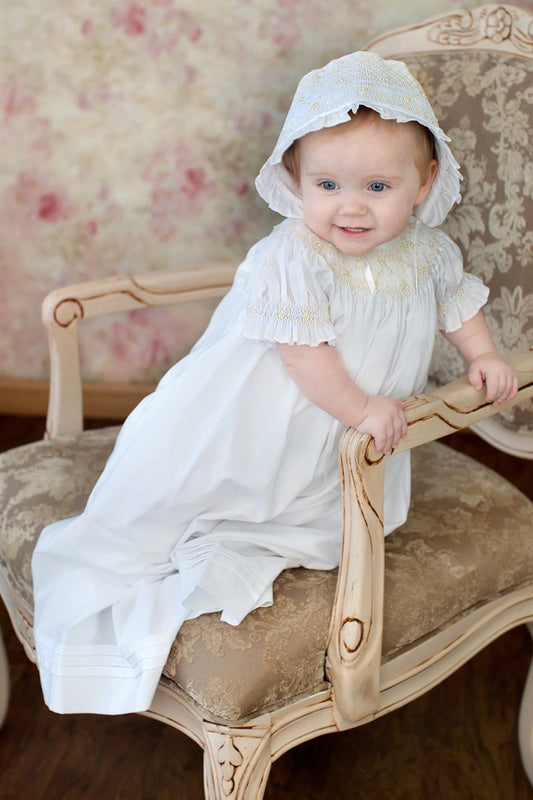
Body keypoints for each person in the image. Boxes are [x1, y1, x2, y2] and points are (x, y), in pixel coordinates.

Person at [31, 51, 518, 715]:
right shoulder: (290, 258)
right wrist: (363, 407)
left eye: (377, 187)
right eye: (326, 186)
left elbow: (456, 304)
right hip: (261, 417)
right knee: (188, 490)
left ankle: (301, 505)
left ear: (423, 183)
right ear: (295, 179)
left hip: (345, 428)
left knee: (324, 499)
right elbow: (306, 358)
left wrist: (482, 354)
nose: (350, 208)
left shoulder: (429, 252)